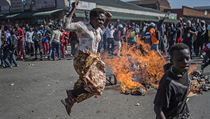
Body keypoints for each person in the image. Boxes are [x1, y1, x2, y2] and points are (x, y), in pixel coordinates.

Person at [61, 1, 112, 115]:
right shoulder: (82, 26)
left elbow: (105, 26)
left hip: (93, 60)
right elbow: (66, 26)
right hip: (82, 58)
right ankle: (72, 94)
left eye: (102, 20)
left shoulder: (98, 30)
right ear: (92, 18)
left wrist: (108, 18)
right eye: (99, 19)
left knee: (97, 87)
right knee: (95, 85)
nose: (101, 22)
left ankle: (70, 99)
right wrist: (73, 9)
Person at [154, 43, 191, 119]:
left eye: (187, 58)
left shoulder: (183, 70)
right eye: (180, 60)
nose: (185, 62)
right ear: (172, 61)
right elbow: (157, 108)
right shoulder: (167, 83)